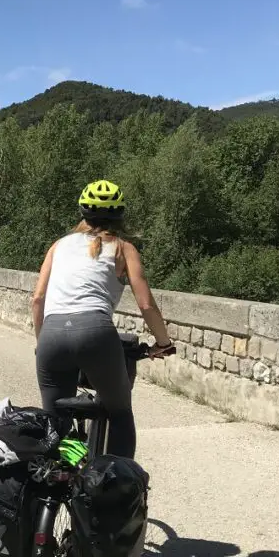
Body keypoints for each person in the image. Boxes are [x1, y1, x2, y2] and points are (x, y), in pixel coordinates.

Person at [31, 179, 173, 459]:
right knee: (119, 412)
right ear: (120, 216)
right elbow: (146, 304)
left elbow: (37, 300)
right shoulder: (124, 249)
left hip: (52, 334)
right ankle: (116, 486)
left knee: (54, 421)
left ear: (82, 214)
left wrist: (42, 342)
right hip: (96, 332)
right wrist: (163, 342)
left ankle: (56, 483)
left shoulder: (58, 246)